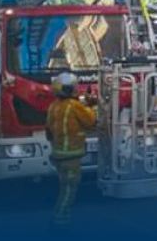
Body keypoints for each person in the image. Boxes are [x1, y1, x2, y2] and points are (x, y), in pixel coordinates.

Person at [45, 72, 96, 230]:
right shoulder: (74, 106)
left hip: (58, 154)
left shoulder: (53, 106)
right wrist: (91, 106)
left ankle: (60, 218)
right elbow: (90, 121)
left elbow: (48, 132)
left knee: (63, 185)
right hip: (71, 155)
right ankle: (60, 220)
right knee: (69, 187)